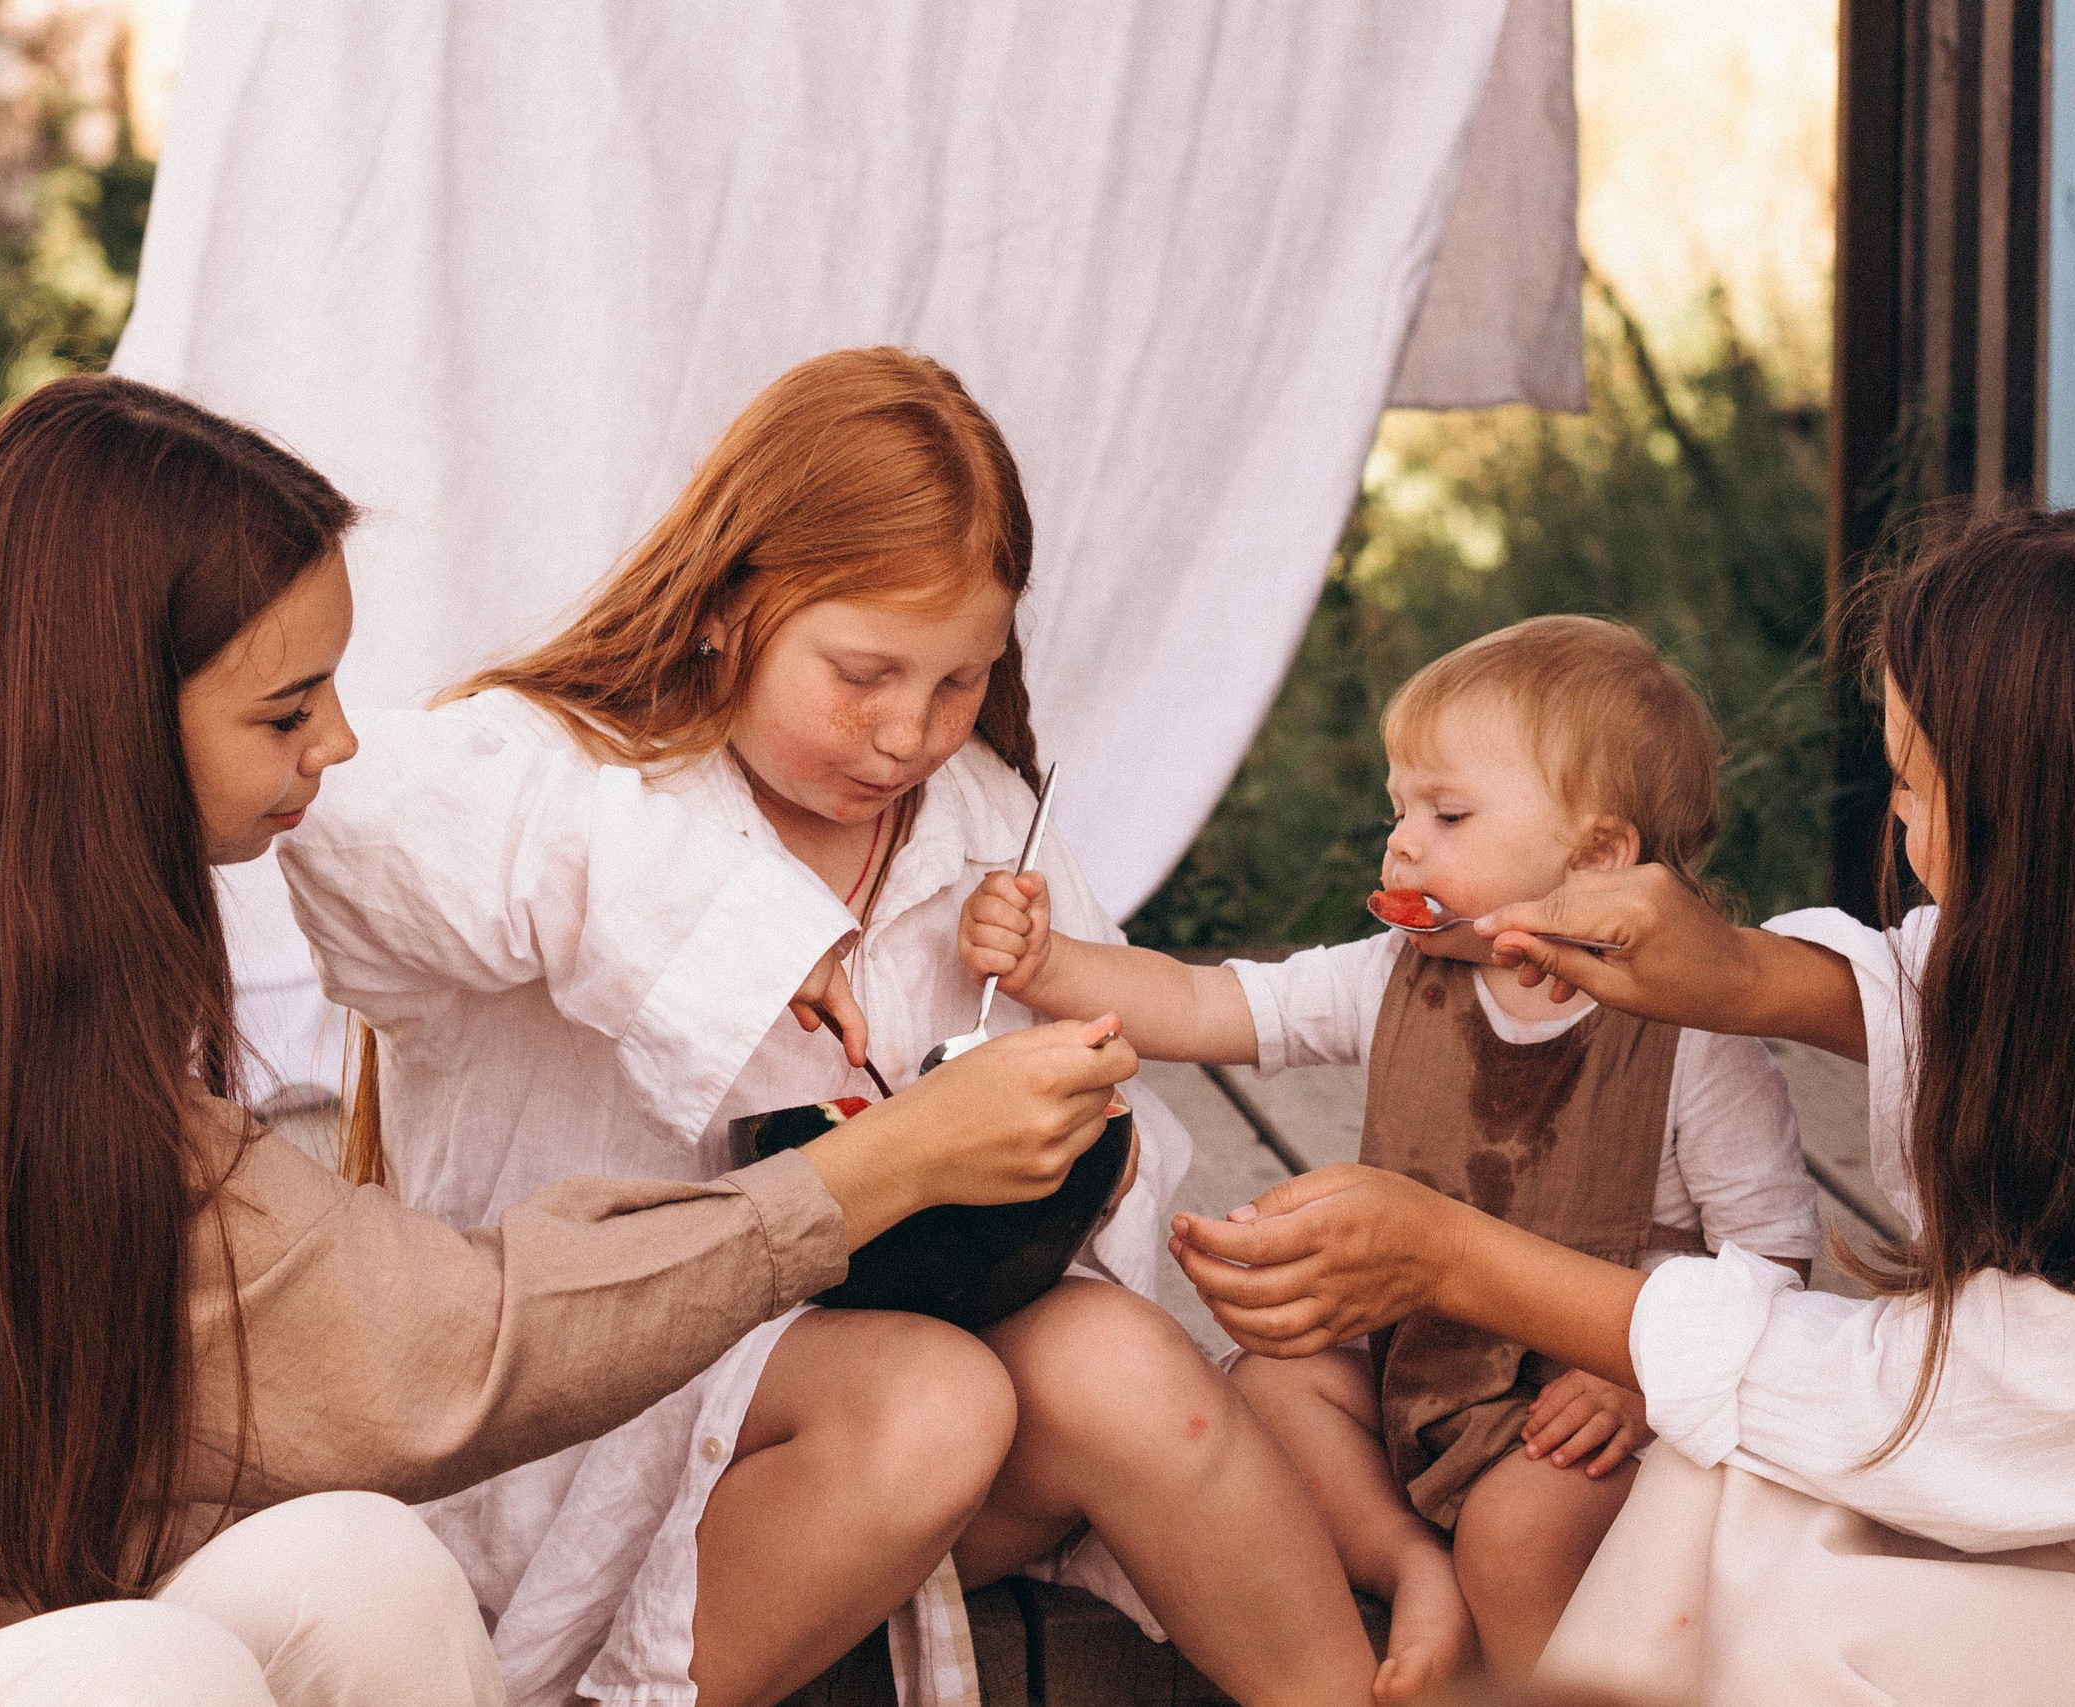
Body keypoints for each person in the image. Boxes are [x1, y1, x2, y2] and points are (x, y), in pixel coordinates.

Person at [0, 374, 1135, 1706]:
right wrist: (868, 1158)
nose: (341, 740)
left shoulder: (51, 967)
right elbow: (454, 1345)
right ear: (106, 711)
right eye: (288, 710)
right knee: (155, 1662)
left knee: (361, 1566)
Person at [277, 347, 1375, 1707]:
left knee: (1125, 1364)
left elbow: (1089, 1166)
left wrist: (1057, 1140)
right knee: (932, 1397)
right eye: (862, 672)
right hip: (595, 1448)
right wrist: (721, 928)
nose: (907, 732)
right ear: (738, 602)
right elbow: (345, 822)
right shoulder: (558, 764)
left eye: (961, 680)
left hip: (895, 1441)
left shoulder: (978, 823)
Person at [1170, 508, 2075, 1706]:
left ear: (2061, 845)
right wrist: (1737, 975)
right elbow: (2029, 984)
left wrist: (1453, 1262)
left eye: (1913, 786)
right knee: (1699, 1486)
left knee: (1816, 1637)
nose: (1896, 825)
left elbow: (1930, 1407)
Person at [960, 614, 1819, 1692]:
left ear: (1596, 856)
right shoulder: (1394, 975)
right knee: (1271, 1386)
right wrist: (1048, 962)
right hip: (1416, 1369)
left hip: (1580, 1406)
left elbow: (1773, 1255)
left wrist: (1641, 1383)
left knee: (1514, 1533)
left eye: (1448, 813)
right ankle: (1411, 1564)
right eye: (1398, 810)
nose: (1402, 843)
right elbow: (1203, 1001)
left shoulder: (1687, 1031)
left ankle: (1524, 1679)